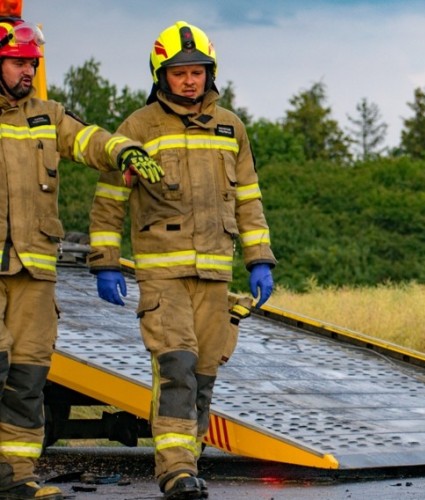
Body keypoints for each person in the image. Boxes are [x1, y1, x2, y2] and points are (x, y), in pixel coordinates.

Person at [88, 20, 275, 500]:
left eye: (197, 71)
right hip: (162, 275)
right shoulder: (138, 128)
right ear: (161, 76)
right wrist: (105, 260)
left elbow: (248, 198)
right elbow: (110, 199)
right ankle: (174, 471)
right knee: (176, 366)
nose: (190, 81)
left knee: (204, 374)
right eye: (179, 72)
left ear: (210, 73)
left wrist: (259, 258)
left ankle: (189, 462)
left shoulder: (231, 127)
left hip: (215, 273)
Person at [0, 16, 165, 500]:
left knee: (28, 378)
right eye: (17, 63)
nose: (28, 72)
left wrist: (125, 151)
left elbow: (89, 139)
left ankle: (15, 476)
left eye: (32, 64)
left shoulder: (47, 115)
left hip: (34, 274)